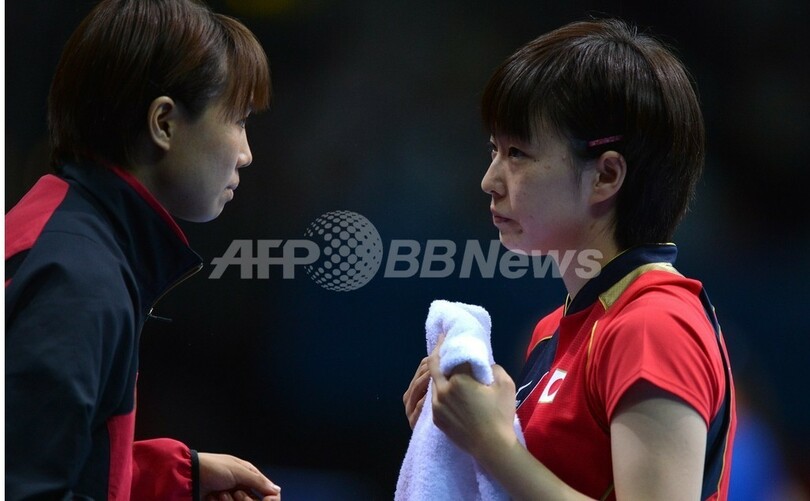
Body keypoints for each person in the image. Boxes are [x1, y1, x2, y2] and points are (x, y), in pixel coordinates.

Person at [403, 18, 736, 500]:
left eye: (517, 153)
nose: (490, 180)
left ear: (605, 176)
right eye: (494, 150)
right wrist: (455, 437)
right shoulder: (553, 331)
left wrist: (490, 442)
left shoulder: (654, 326)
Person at [5, 1, 282, 499]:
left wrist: (171, 478)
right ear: (164, 124)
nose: (246, 153)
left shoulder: (63, 232)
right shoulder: (79, 279)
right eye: (238, 120)